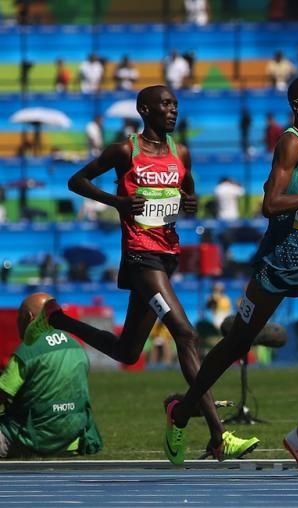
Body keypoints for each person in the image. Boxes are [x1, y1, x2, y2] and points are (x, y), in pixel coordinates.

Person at [24, 85, 259, 463]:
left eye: (175, 105)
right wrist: (116, 201)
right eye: (164, 105)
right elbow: (77, 181)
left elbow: (188, 189)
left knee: (128, 351)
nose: (172, 111)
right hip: (140, 257)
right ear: (144, 110)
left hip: (167, 256)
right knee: (186, 334)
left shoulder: (180, 152)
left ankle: (57, 318)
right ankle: (218, 436)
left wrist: (190, 202)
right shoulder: (124, 151)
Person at [163, 76, 298, 478]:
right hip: (280, 258)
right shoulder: (292, 142)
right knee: (236, 344)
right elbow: (271, 203)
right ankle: (182, 410)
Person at [1, 293, 102, 458]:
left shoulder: (27, 351)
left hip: (33, 438)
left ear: (29, 317)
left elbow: (2, 393)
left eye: (19, 316)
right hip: (72, 438)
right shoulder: (77, 347)